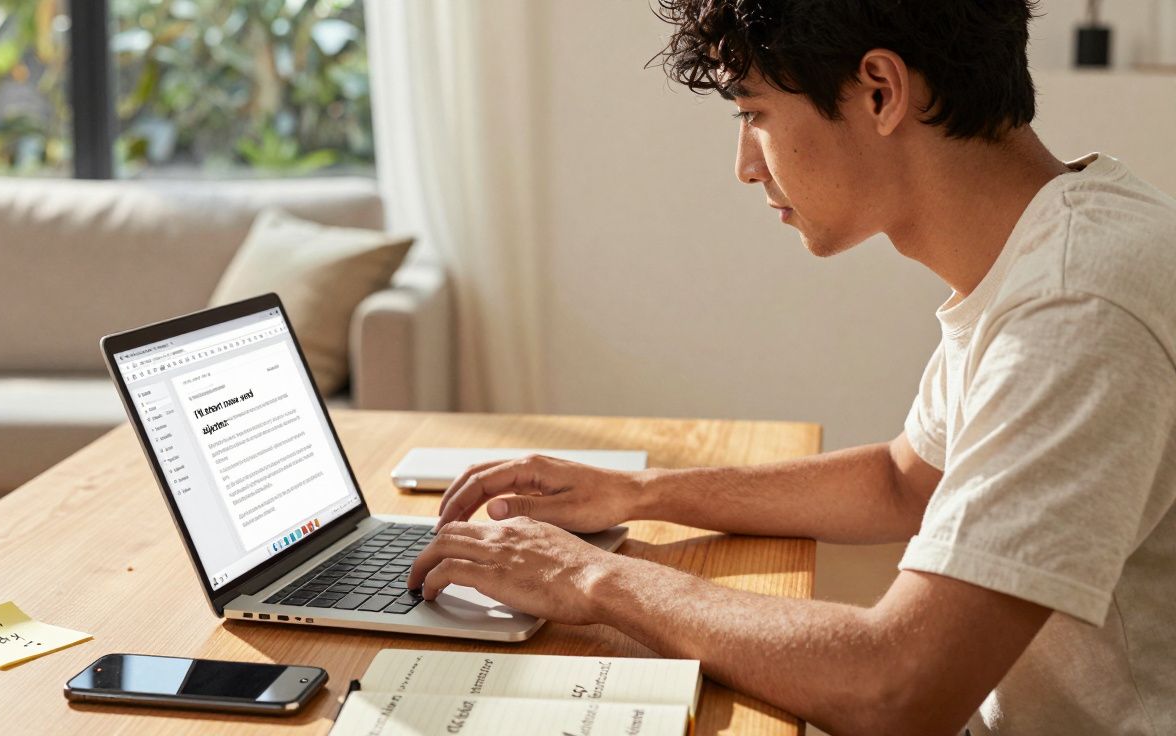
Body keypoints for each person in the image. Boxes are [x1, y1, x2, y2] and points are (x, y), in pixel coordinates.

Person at [407, 1, 1176, 733]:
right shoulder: (1051, 244)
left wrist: (591, 579)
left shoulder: (1079, 304)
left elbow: (899, 691)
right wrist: (637, 493)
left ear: (880, 91)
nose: (745, 164)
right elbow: (905, 480)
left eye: (753, 114)